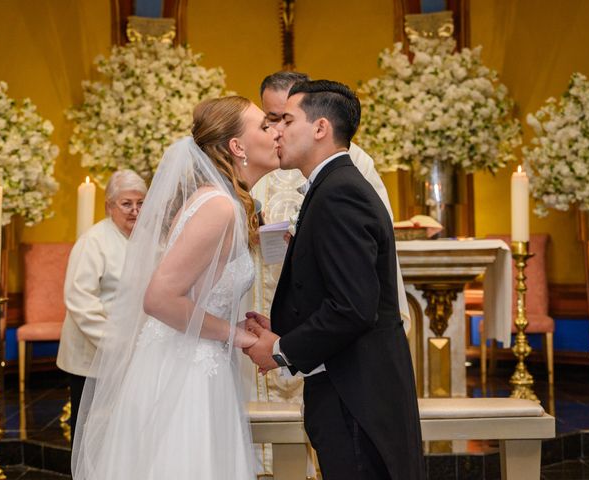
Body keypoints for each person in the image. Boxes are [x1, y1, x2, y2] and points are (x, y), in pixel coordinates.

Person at [71, 96, 280, 480]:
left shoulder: (221, 201)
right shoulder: (219, 206)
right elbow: (160, 299)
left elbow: (199, 292)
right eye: (265, 127)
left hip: (194, 359)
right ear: (238, 147)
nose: (276, 132)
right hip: (184, 373)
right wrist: (240, 337)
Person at [244, 80, 424, 479]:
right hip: (350, 390)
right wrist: (282, 328)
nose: (276, 131)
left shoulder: (340, 192)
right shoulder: (332, 186)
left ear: (320, 128)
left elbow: (354, 308)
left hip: (357, 400)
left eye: (287, 120)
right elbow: (339, 294)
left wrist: (282, 349)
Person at [57, 169, 147, 440]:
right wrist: (116, 345)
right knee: (89, 431)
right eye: (126, 203)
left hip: (132, 352)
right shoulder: (93, 241)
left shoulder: (146, 240)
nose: (134, 211)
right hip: (93, 355)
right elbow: (80, 300)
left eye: (140, 203)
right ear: (110, 206)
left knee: (119, 432)